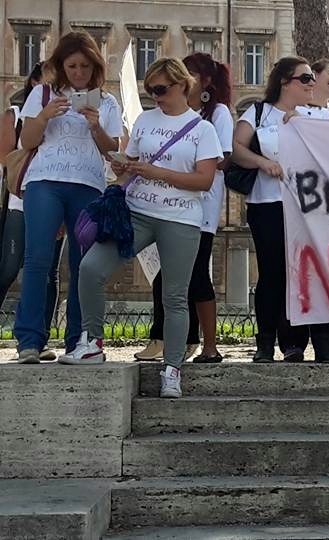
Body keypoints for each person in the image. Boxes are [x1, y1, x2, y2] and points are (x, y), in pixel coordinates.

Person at [73, 58, 222, 401]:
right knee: (91, 267)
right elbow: (132, 169)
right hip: (137, 212)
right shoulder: (144, 120)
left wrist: (159, 173)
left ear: (182, 86)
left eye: (160, 90)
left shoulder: (203, 129)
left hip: (182, 219)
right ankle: (92, 342)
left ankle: (172, 370)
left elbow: (204, 180)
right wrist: (122, 165)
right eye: (149, 90)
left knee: (174, 297)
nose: (154, 96)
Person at [13, 32, 123, 364]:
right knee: (38, 259)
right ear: (61, 66)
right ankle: (29, 341)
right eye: (72, 66)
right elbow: (27, 141)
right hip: (44, 181)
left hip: (88, 185)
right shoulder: (41, 93)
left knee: (84, 264)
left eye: (85, 66)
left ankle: (80, 340)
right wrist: (46, 115)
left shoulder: (107, 102)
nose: (78, 73)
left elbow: (113, 149)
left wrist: (95, 127)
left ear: (95, 67)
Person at [232, 57, 329, 364]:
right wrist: (263, 163)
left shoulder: (316, 115)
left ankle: (325, 344)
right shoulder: (258, 112)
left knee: (317, 273)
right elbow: (237, 148)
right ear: (284, 82)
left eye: (311, 78)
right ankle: (272, 342)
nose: (311, 84)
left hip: (312, 206)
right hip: (268, 203)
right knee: (274, 275)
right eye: (304, 78)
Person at [137, 53, 233, 364]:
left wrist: (182, 161)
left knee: (196, 276)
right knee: (169, 275)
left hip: (199, 207)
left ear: (203, 81)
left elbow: (221, 158)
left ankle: (207, 343)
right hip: (166, 204)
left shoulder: (215, 115)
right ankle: (170, 336)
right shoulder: (163, 117)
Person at [0, 63, 63, 361]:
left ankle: (38, 338)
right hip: (21, 201)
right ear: (35, 82)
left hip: (56, 201)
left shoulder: (69, 112)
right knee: (9, 267)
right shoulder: (14, 115)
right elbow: (5, 154)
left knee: (48, 271)